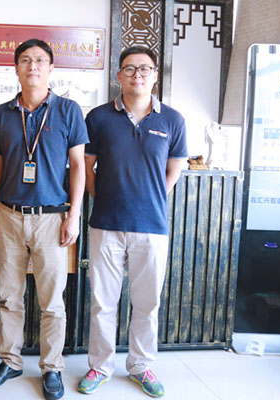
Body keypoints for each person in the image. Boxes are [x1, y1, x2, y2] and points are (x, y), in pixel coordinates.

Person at [0, 38, 88, 400]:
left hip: (52, 219)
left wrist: (74, 214)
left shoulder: (69, 110)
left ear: (51, 68)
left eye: (40, 60)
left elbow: (78, 166)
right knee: (9, 297)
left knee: (52, 302)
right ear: (16, 68)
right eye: (25, 60)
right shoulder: (3, 113)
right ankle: (10, 361)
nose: (33, 66)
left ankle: (52, 367)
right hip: (9, 215)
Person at [78, 46, 187, 398]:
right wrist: (102, 196)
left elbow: (174, 169)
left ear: (155, 75)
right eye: (129, 68)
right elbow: (86, 167)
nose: (137, 74)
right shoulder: (98, 117)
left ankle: (141, 366)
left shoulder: (172, 120)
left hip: (152, 225)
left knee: (147, 303)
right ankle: (100, 366)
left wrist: (151, 195)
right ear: (118, 75)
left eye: (144, 69)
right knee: (103, 303)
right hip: (105, 223)